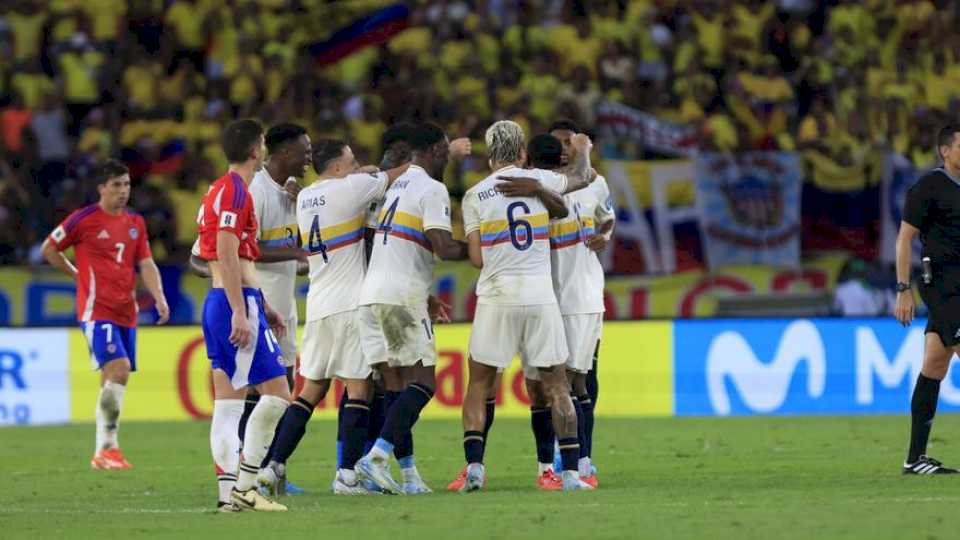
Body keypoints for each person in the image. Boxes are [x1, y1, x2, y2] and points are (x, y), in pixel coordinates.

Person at [262, 139, 409, 495]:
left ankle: (272, 467)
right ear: (339, 168)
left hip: (318, 304)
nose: (357, 164)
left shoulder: (308, 197)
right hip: (350, 304)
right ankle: (346, 476)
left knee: (309, 390)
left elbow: (356, 180)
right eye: (351, 160)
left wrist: (359, 172)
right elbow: (395, 173)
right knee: (360, 387)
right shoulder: (352, 189)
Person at [457, 120, 596, 492]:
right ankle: (569, 474)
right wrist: (582, 146)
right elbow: (583, 176)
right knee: (557, 386)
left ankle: (474, 469)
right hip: (539, 296)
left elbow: (476, 258)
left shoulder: (474, 195)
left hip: (496, 297)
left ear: (489, 157)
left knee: (480, 385)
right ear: (522, 153)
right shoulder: (542, 182)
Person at [354, 122, 468, 494]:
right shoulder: (432, 188)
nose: (448, 158)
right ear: (435, 151)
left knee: (396, 387)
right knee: (423, 383)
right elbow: (443, 246)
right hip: (401, 296)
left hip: (372, 294)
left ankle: (407, 476)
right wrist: (491, 245)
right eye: (446, 151)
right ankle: (375, 458)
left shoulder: (394, 187)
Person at [42, 159, 170, 471]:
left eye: (127, 185)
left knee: (110, 378)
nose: (123, 191)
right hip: (96, 311)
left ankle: (102, 452)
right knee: (119, 369)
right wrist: (75, 274)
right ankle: (109, 447)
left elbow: (146, 263)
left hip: (127, 311)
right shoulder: (84, 219)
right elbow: (49, 248)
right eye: (116, 185)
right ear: (101, 188)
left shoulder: (135, 222)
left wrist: (159, 296)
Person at [197, 118, 291, 512]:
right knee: (279, 396)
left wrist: (261, 305)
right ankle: (247, 486)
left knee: (228, 404)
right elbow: (225, 248)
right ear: (257, 150)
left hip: (222, 301)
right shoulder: (237, 192)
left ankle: (228, 496)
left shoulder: (217, 191)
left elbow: (224, 253)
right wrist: (242, 308)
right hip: (235, 304)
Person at [240, 122, 312, 496]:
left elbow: (292, 248)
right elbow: (244, 249)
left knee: (281, 392)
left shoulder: (291, 194)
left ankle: (269, 472)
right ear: (284, 153)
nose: (309, 159)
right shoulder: (257, 192)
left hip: (285, 303)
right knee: (262, 394)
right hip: (261, 303)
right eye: (305, 152)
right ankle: (249, 472)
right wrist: (294, 253)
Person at [895, 123, 960, 475]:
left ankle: (915, 459)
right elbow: (905, 239)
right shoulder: (928, 187)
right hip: (943, 286)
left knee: (934, 365)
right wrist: (903, 289)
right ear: (945, 151)